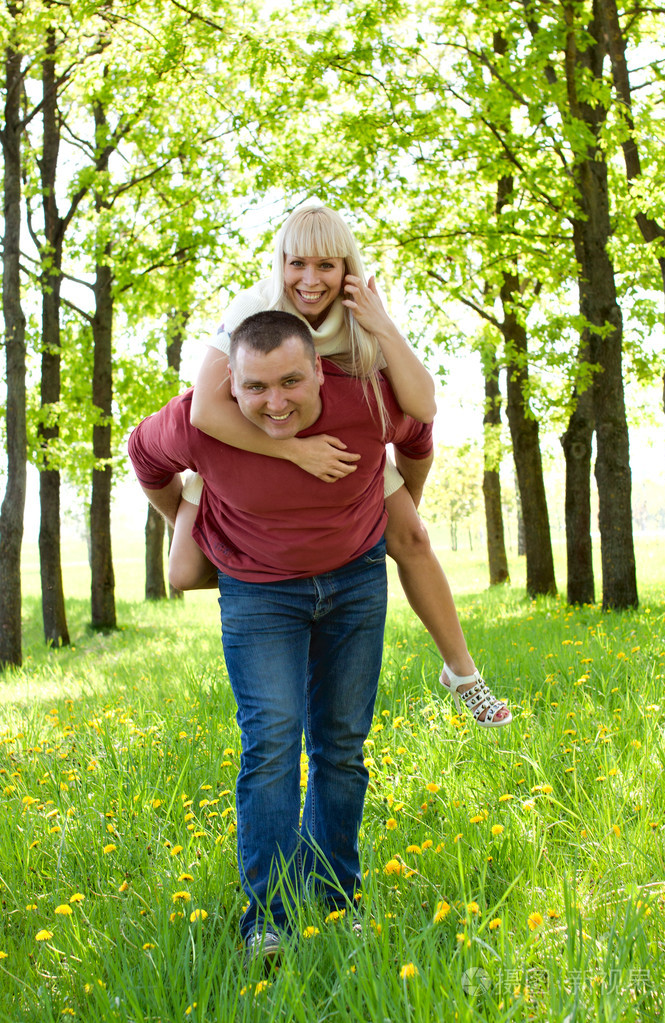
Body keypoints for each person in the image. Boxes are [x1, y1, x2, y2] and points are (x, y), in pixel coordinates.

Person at [128, 309, 435, 956]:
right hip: (258, 591)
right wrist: (183, 511)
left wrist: (403, 496)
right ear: (229, 385)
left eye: (291, 382)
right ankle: (268, 916)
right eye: (256, 387)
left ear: (319, 371)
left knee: (341, 743)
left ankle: (335, 897)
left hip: (353, 583)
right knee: (270, 742)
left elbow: (419, 427)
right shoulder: (196, 422)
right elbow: (143, 453)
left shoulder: (362, 400)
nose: (274, 402)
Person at [172, 204, 511, 728]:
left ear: (346, 267)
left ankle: (462, 673)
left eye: (326, 265)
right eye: (298, 263)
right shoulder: (253, 307)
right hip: (266, 447)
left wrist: (382, 323)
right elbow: (204, 410)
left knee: (413, 538)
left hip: (345, 456)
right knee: (184, 573)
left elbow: (422, 407)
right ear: (280, 263)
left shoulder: (361, 312)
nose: (310, 281)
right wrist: (293, 451)